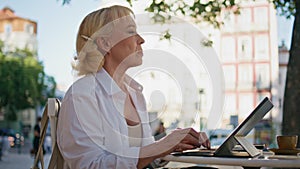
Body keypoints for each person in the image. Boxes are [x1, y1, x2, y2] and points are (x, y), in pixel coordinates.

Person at [57, 5, 210, 169]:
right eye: (130, 31)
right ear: (105, 43)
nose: (141, 39)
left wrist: (172, 144)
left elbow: (145, 158)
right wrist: (160, 146)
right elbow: (89, 165)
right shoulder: (82, 94)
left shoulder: (135, 93)